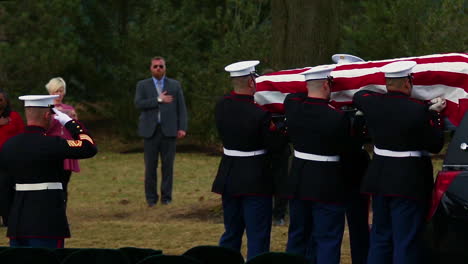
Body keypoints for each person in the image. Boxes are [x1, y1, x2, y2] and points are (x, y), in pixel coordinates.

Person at [353, 61, 445, 264]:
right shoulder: (418, 110)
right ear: (407, 83)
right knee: (406, 240)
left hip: (380, 179)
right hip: (408, 182)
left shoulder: (372, 104)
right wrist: (435, 114)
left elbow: (358, 95)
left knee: (380, 237)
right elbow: (436, 144)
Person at [0, 94, 97, 248]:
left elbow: (4, 187)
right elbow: (89, 146)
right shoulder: (53, 144)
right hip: (47, 222)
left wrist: (8, 219)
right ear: (47, 115)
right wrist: (71, 123)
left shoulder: (9, 145)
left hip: (17, 224)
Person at [281, 65, 350, 264]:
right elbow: (346, 150)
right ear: (327, 85)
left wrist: (315, 87)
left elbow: (294, 95)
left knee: (298, 235)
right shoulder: (338, 117)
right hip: (327, 182)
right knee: (327, 238)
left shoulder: (293, 107)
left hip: (299, 179)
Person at [212, 60, 273, 260]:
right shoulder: (260, 114)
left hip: (229, 174)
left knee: (231, 232)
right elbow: (274, 145)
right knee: (257, 235)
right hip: (254, 178)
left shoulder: (221, 106)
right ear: (251, 82)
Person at [333, 54, 371, 264]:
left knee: (358, 225)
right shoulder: (329, 106)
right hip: (336, 170)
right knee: (331, 225)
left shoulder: (363, 106)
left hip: (355, 170)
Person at [135, 56, 188, 206]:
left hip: (169, 130)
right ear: (150, 68)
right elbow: (138, 103)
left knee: (168, 166)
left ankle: (167, 198)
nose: (158, 68)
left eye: (161, 66)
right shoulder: (143, 85)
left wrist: (182, 127)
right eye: (155, 66)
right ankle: (151, 199)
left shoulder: (174, 85)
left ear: (165, 68)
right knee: (150, 167)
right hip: (150, 131)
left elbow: (181, 108)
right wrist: (158, 100)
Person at [45, 77, 79, 207]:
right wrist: (54, 115)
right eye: (55, 91)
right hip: (52, 150)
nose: (58, 94)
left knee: (64, 184)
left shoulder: (69, 108)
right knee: (52, 184)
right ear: (50, 92)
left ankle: (62, 215)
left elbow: (76, 129)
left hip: (67, 150)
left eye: (61, 90)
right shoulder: (46, 108)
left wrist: (74, 119)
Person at [0, 90, 25, 227]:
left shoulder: (14, 117)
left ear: (6, 101)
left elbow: (21, 135)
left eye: (1, 100)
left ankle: (8, 218)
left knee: (7, 188)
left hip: (9, 160)